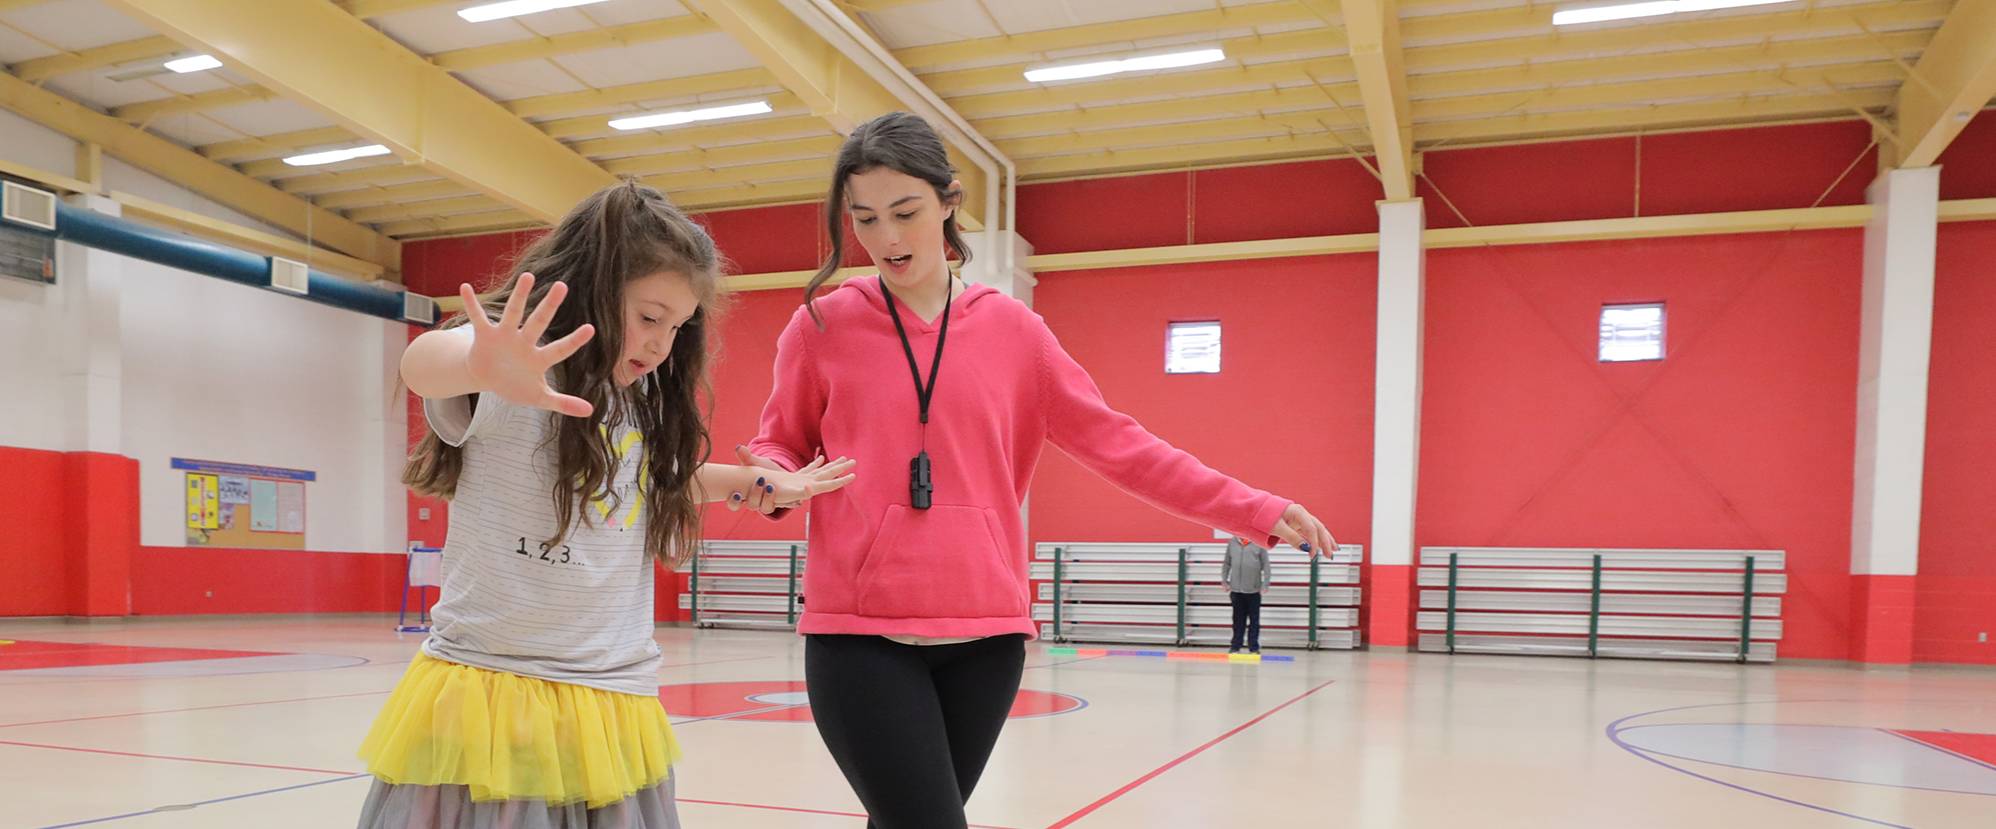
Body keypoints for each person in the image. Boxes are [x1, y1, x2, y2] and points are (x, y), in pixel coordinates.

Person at [730, 111, 1340, 829]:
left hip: (986, 640)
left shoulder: (1016, 332)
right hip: (859, 636)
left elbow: (1124, 446)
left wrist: (1252, 508)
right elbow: (778, 443)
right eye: (864, 218)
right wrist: (774, 480)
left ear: (950, 203)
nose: (886, 239)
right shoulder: (819, 327)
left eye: (905, 212)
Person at [357, 180, 855, 829]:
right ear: (596, 284)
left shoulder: (639, 401)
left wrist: (754, 483)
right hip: (496, 694)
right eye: (650, 317)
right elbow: (424, 365)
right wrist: (479, 361)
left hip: (613, 699)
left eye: (676, 327)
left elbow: (645, 480)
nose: (659, 344)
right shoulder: (517, 373)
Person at [1223, 536, 1273, 654]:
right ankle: (1235, 646)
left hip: (1253, 590)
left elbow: (1266, 565)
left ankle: (1254, 648)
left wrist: (1265, 584)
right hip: (1236, 590)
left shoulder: (1259, 543)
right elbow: (1227, 563)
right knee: (1237, 621)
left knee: (1254, 621)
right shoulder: (1232, 543)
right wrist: (1224, 580)